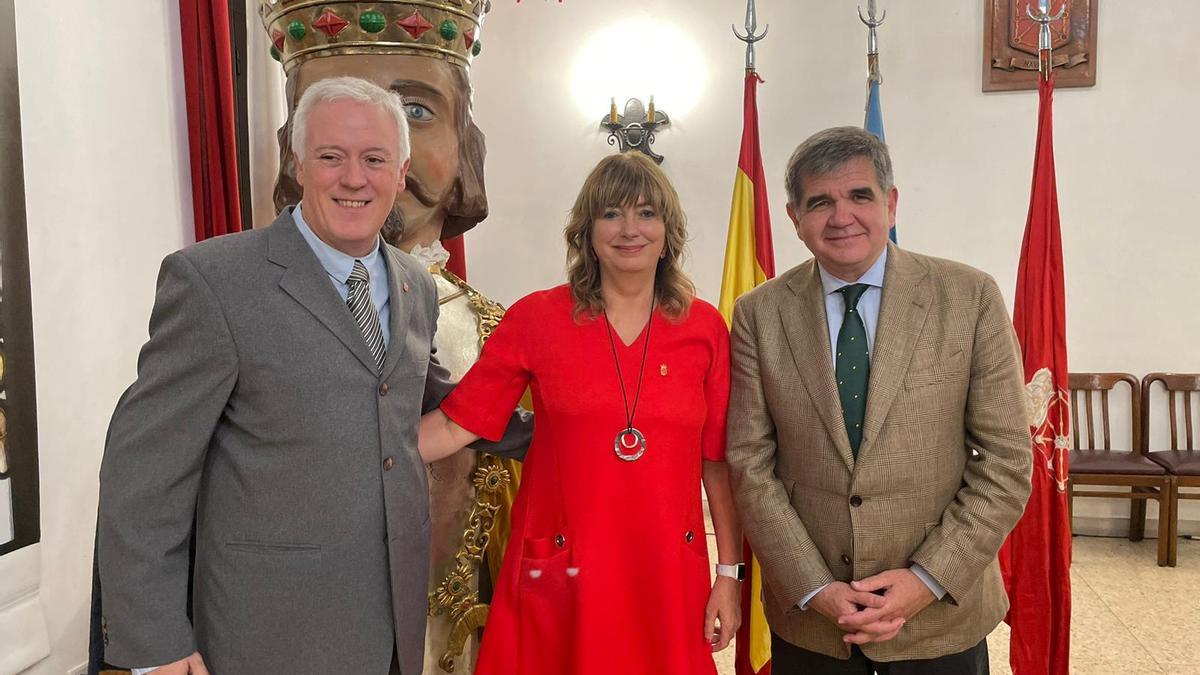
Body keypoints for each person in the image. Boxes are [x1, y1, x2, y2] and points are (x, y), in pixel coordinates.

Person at [96, 76, 526, 675]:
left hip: (392, 621)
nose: (355, 178)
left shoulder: (415, 283)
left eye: (375, 159)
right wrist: (155, 643)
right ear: (300, 164)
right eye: (332, 157)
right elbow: (144, 473)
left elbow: (423, 402)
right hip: (263, 629)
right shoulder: (213, 281)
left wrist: (577, 420)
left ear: (400, 172)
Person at [418, 152, 742, 675]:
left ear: (669, 231)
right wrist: (367, 457)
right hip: (563, 567)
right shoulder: (536, 319)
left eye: (646, 213)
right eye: (611, 213)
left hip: (664, 572)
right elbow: (459, 422)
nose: (629, 229)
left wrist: (728, 573)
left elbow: (718, 465)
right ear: (587, 232)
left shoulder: (705, 330)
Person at [263, 3, 516, 669]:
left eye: (415, 112)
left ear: (464, 145)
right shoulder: (238, 297)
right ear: (296, 152)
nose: (359, 172)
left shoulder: (504, 332)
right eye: (333, 144)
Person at [726, 126, 1032, 674]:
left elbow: (1006, 462)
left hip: (940, 621)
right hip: (814, 623)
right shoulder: (758, 314)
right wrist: (814, 586)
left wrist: (928, 578)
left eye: (860, 195)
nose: (841, 216)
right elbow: (750, 464)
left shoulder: (969, 297)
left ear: (891, 204)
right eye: (820, 201)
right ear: (794, 218)